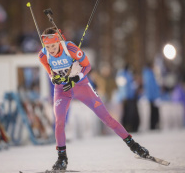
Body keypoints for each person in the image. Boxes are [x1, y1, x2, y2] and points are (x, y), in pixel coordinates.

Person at [38, 27, 149, 170]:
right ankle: (62, 159)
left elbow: (87, 66)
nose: (51, 49)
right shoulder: (43, 55)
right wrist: (54, 79)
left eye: (53, 45)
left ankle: (134, 146)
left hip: (81, 86)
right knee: (59, 122)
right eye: (48, 47)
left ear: (58, 41)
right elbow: (50, 73)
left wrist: (76, 78)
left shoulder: (70, 48)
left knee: (106, 118)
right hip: (62, 91)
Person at [142, 62, 160, 130]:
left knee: (153, 111)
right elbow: (151, 86)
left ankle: (153, 125)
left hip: (152, 97)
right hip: (152, 97)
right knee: (153, 111)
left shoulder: (148, 74)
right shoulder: (149, 74)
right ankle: (153, 125)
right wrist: (155, 97)